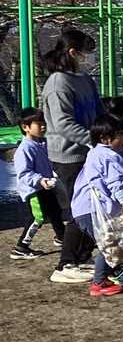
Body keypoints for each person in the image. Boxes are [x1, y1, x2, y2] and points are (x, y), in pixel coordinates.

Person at [40, 28, 104, 284]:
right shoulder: (58, 83)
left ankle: (82, 257)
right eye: (87, 52)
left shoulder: (85, 79)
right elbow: (63, 124)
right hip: (68, 156)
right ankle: (66, 264)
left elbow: (99, 111)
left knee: (97, 207)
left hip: (91, 151)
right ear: (73, 52)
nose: (91, 57)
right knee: (82, 209)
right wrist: (95, 140)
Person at [69, 114, 123, 297]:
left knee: (111, 243)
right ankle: (99, 283)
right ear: (105, 138)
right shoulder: (110, 156)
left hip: (82, 208)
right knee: (111, 244)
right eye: (120, 134)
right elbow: (115, 184)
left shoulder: (95, 152)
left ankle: (113, 274)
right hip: (92, 209)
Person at [11, 108, 66, 260]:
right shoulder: (25, 149)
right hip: (33, 190)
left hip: (46, 186)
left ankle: (62, 237)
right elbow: (24, 173)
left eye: (44, 123)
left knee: (55, 211)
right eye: (39, 124)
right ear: (25, 127)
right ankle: (21, 247)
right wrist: (40, 180)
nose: (43, 126)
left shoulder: (41, 143)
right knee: (38, 217)